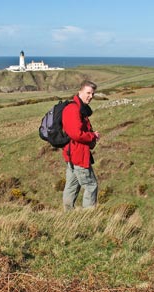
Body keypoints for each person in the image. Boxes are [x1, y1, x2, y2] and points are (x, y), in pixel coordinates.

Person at [61, 80, 101, 211]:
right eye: (88, 93)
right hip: (78, 155)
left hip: (73, 154)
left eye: (92, 94)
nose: (90, 96)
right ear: (80, 92)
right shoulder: (73, 109)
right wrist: (92, 136)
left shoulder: (79, 108)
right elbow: (76, 134)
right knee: (91, 185)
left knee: (72, 186)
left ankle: (68, 214)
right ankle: (88, 216)